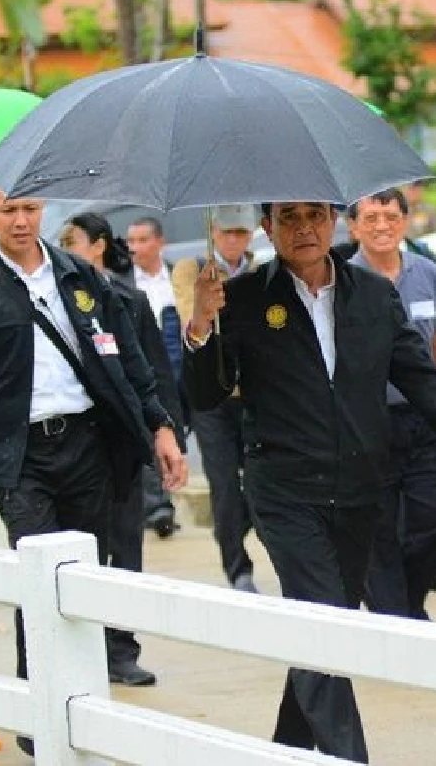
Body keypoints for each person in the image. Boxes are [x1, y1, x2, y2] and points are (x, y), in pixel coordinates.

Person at [184, 200, 436, 763]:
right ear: (267, 228)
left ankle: (287, 749)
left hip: (359, 488)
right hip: (284, 491)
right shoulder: (244, 298)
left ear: (333, 221)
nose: (304, 228)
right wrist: (202, 324)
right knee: (324, 622)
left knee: (327, 627)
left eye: (314, 215)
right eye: (288, 218)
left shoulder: (374, 295)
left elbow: (422, 378)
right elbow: (206, 395)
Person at [0, 189, 187, 757]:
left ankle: (86, 702)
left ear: (42, 210)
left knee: (84, 580)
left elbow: (129, 360)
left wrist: (161, 426)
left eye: (30, 208)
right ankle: (40, 709)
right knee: (40, 582)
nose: (21, 220)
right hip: (20, 456)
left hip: (88, 445)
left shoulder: (78, 275)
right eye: (9, 210)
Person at [59, 212, 187, 687]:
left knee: (126, 546)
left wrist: (169, 434)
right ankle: (81, 645)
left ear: (97, 246)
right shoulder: (49, 301)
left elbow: (155, 375)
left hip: (122, 444)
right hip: (70, 447)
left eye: (71, 242)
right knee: (81, 547)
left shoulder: (130, 302)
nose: (63, 251)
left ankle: (121, 649)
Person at [346, 188, 436, 620]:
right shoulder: (344, 281)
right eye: (371, 218)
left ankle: (406, 604)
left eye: (391, 217)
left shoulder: (425, 272)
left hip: (426, 417)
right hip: (369, 423)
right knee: (377, 528)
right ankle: (396, 613)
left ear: (405, 222)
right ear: (353, 227)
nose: (382, 226)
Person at [170, 204, 259, 592]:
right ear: (214, 232)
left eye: (241, 233)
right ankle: (237, 568)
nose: (234, 240)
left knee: (258, 480)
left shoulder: (259, 271)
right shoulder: (191, 269)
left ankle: (230, 530)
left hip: (253, 393)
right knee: (223, 482)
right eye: (227, 232)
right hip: (211, 396)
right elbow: (193, 321)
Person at [127, 216, 180, 538]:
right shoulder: (123, 283)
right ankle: (159, 505)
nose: (135, 247)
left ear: (160, 242)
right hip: (145, 371)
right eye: (131, 241)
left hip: (179, 369)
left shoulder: (178, 276)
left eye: (143, 240)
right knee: (152, 434)